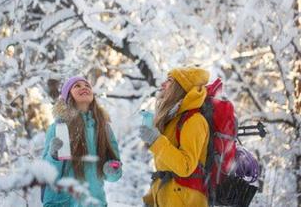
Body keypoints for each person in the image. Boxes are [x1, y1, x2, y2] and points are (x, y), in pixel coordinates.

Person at [42, 76, 122, 207]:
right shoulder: (58, 127)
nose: (83, 87)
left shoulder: (104, 128)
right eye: (77, 86)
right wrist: (53, 156)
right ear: (68, 96)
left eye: (87, 86)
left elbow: (114, 174)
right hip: (61, 203)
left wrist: (112, 170)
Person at [139, 67, 210, 207]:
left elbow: (185, 167)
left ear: (180, 88)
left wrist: (156, 141)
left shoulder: (194, 120)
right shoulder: (173, 121)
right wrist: (150, 199)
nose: (162, 84)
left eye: (169, 81)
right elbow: (165, 170)